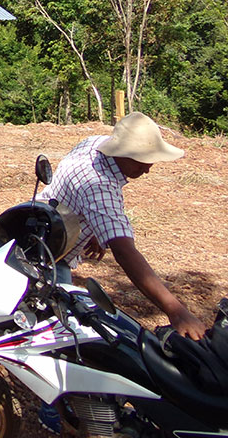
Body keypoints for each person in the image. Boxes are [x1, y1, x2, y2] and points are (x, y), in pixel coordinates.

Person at [35, 112, 205, 433]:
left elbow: (78, 194)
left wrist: (95, 227)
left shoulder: (94, 145)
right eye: (143, 160)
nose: (148, 167)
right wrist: (176, 310)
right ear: (122, 154)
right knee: (61, 339)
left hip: (49, 232)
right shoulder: (98, 186)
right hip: (46, 256)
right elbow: (126, 253)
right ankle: (52, 413)